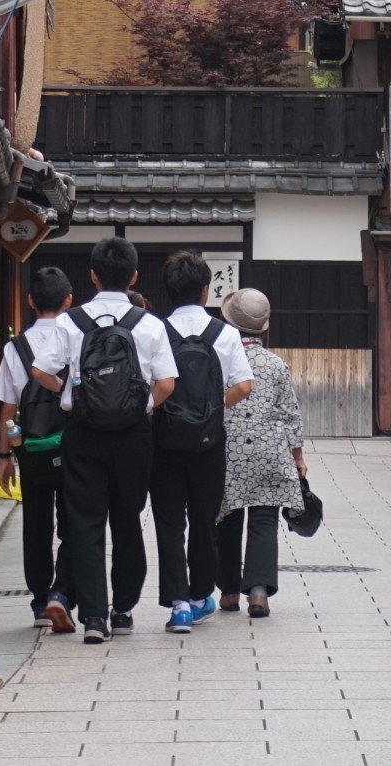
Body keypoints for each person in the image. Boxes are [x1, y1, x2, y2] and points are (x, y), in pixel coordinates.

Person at [31, 237, 179, 644]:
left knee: (85, 522)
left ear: (92, 275)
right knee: (127, 519)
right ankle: (124, 610)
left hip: (83, 433)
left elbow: (40, 370)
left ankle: (94, 618)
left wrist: (71, 394)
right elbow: (167, 382)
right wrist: (140, 405)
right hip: (134, 435)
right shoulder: (148, 324)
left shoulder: (69, 321)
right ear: (134, 276)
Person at [152, 251, 253, 635]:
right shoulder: (224, 333)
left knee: (169, 521)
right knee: (204, 520)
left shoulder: (156, 330)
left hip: (165, 440)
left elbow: (154, 385)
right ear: (206, 291)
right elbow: (244, 385)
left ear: (168, 291)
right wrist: (212, 409)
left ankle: (177, 605)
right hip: (210, 442)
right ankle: (198, 598)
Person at [0, 267, 79, 632]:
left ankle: (40, 600)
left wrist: (4, 456)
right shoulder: (76, 338)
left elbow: (8, 410)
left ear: (30, 301)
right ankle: (62, 592)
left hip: (32, 447)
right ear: (69, 301)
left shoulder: (16, 347)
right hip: (73, 445)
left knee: (36, 523)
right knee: (74, 521)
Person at [213, 288, 306, 617]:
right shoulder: (276, 365)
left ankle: (227, 592)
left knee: (226, 518)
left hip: (227, 448)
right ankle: (257, 592)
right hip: (271, 449)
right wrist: (298, 459)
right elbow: (290, 415)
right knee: (264, 520)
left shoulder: (219, 358)